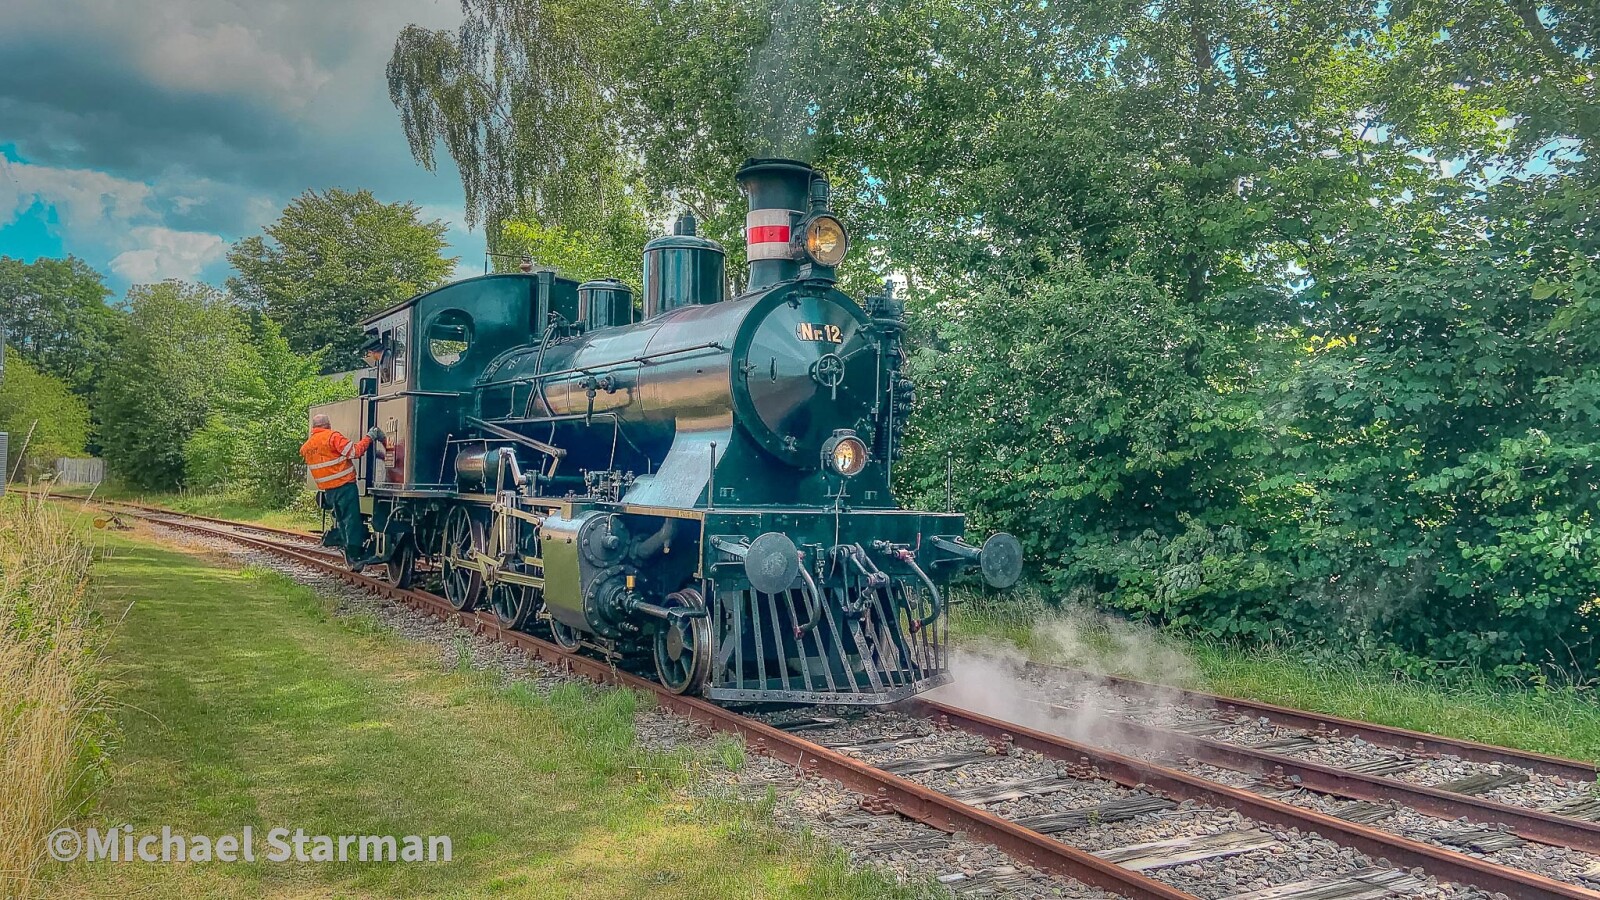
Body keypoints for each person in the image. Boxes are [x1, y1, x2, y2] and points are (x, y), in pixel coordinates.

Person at [301, 413, 386, 570]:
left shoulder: (307, 447)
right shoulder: (332, 437)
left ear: (314, 427)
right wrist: (370, 436)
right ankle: (355, 555)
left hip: (328, 491)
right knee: (352, 521)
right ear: (328, 425)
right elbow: (355, 452)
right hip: (344, 487)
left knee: (342, 521)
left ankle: (347, 548)